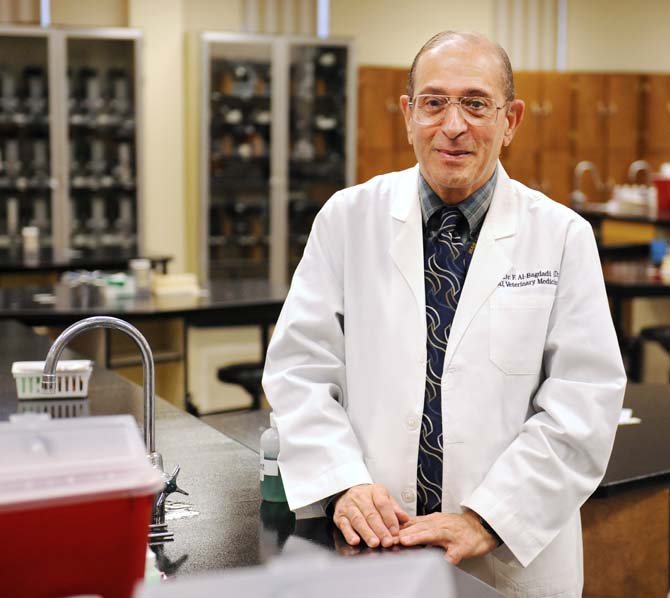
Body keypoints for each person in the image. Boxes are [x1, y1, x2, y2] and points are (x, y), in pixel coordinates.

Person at [262, 30, 626, 597]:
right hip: (373, 542)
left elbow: (584, 400)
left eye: (476, 104)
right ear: (409, 115)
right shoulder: (346, 218)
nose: (453, 125)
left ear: (511, 120)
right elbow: (299, 372)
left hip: (508, 560)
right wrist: (344, 484)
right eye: (433, 102)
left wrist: (486, 518)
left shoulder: (561, 237)